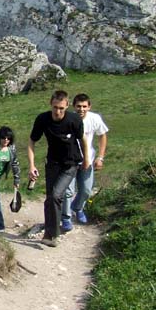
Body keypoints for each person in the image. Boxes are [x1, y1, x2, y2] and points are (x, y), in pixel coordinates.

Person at [28, 90, 89, 247]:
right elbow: (31, 141)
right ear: (51, 104)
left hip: (71, 163)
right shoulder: (43, 119)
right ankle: (49, 233)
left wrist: (87, 159)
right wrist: (32, 165)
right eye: (55, 107)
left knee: (56, 195)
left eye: (61, 108)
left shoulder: (74, 120)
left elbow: (83, 140)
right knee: (50, 198)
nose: (58, 111)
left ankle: (54, 234)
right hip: (53, 162)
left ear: (67, 105)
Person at [61, 93, 109, 230]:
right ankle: (66, 218)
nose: (81, 109)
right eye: (78, 106)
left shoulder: (94, 119)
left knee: (86, 190)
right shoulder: (67, 119)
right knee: (68, 191)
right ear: (73, 106)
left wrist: (100, 157)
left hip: (88, 160)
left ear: (89, 107)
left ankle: (77, 207)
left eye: (84, 106)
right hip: (69, 161)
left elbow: (102, 135)